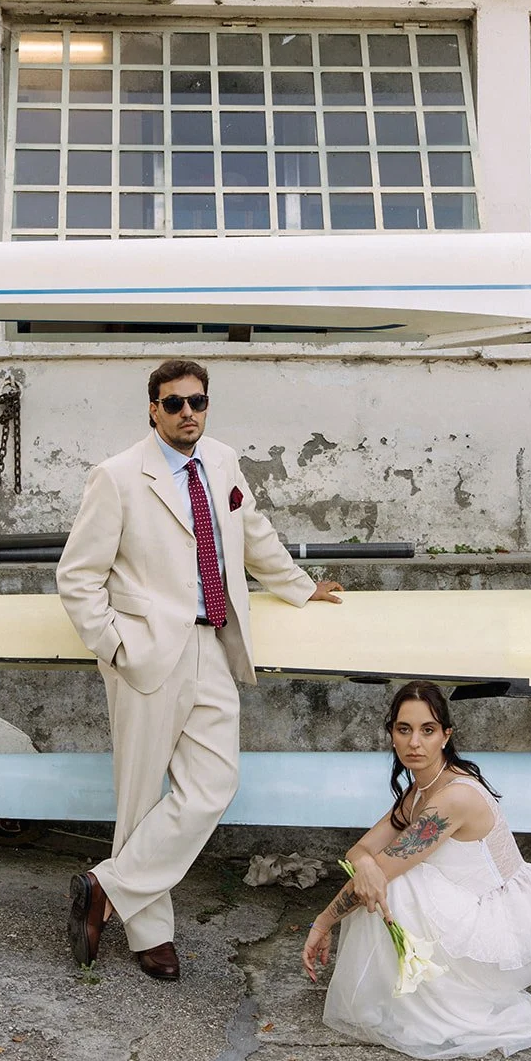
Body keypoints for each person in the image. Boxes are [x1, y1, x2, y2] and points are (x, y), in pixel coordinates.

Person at [58, 357, 343, 981]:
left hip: (213, 643)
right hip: (146, 651)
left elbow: (253, 533)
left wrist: (299, 586)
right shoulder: (115, 477)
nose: (189, 412)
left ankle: (105, 887)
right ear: (153, 409)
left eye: (199, 401)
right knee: (139, 797)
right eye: (176, 402)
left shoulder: (221, 460)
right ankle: (149, 933)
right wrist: (114, 645)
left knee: (214, 783)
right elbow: (77, 577)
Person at [303, 681, 531, 1058]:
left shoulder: (453, 797)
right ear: (392, 735)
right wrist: (366, 863)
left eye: (427, 730)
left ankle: (443, 1009)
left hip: (499, 945)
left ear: (445, 736)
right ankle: (418, 998)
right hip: (469, 919)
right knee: (380, 876)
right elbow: (361, 849)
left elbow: (382, 868)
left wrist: (323, 922)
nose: (414, 742)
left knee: (400, 882)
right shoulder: (420, 789)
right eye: (404, 730)